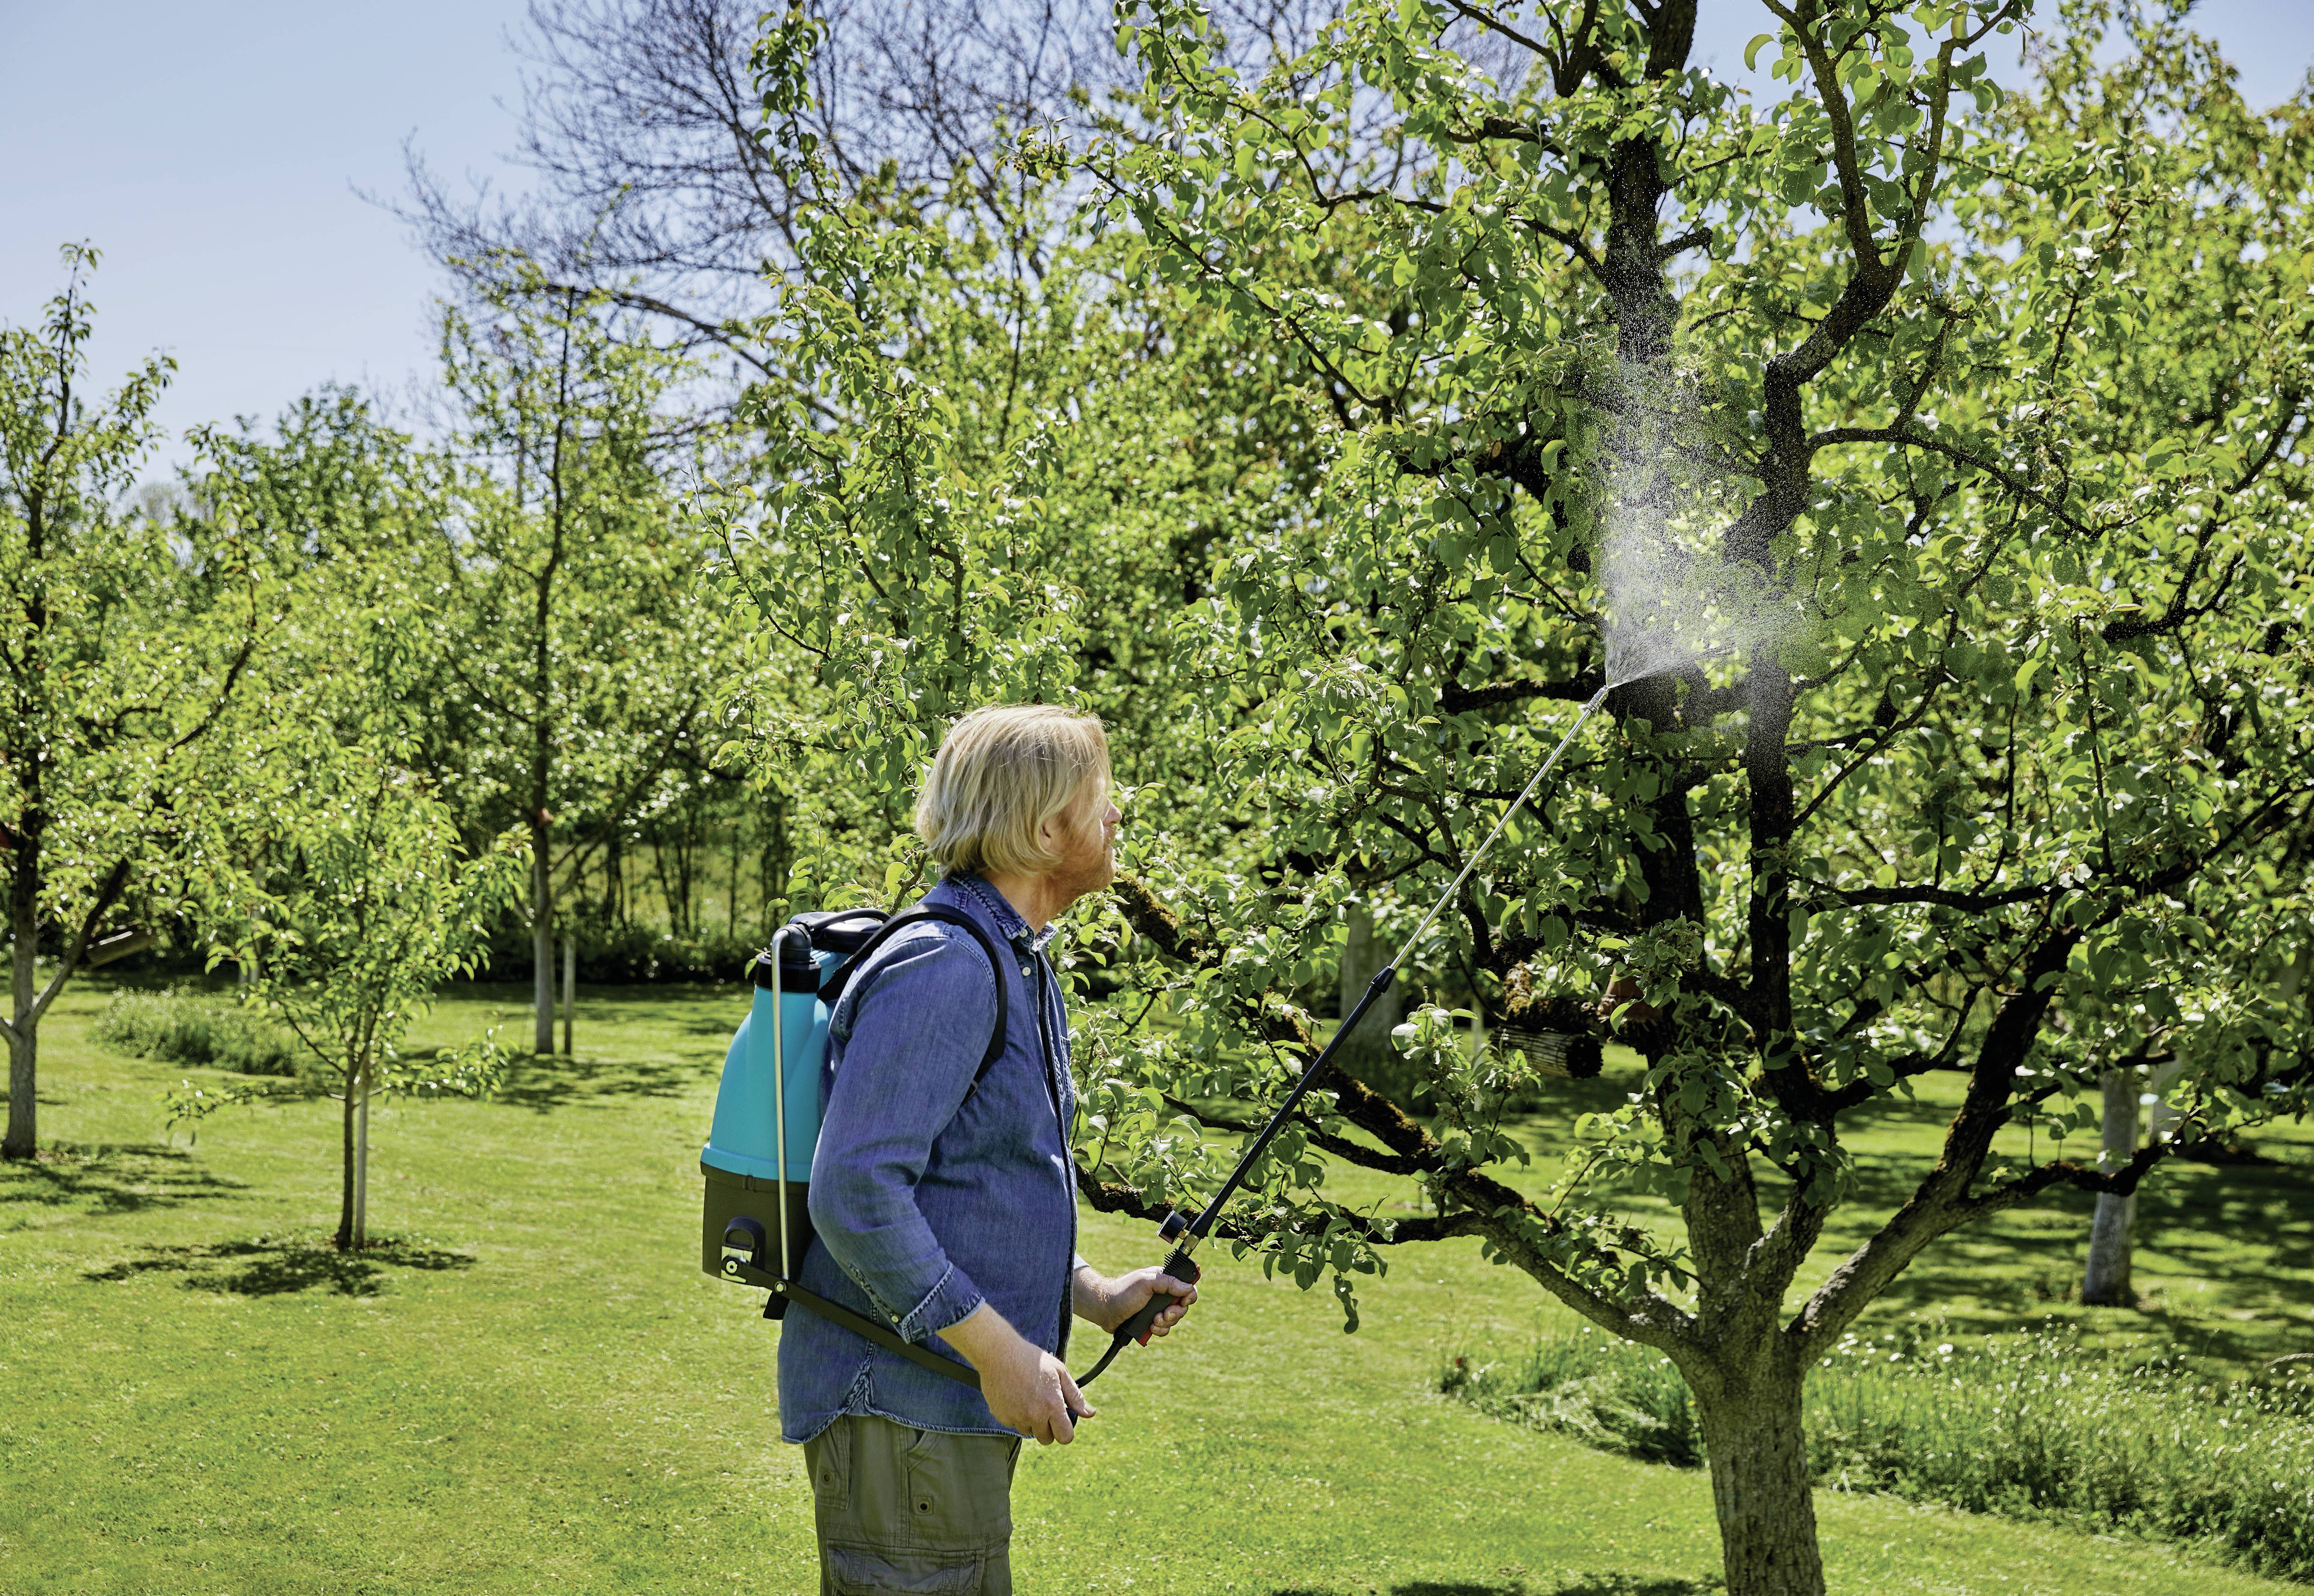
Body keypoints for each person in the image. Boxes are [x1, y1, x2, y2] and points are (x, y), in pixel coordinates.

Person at [780, 703, 1198, 1596]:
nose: (1116, 815)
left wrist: (1089, 1293)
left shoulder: (1015, 958)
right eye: (1101, 797)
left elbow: (977, 1180)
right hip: (900, 1408)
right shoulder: (948, 964)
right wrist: (1003, 1355)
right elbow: (855, 1193)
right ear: (1047, 829)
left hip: (935, 1406)